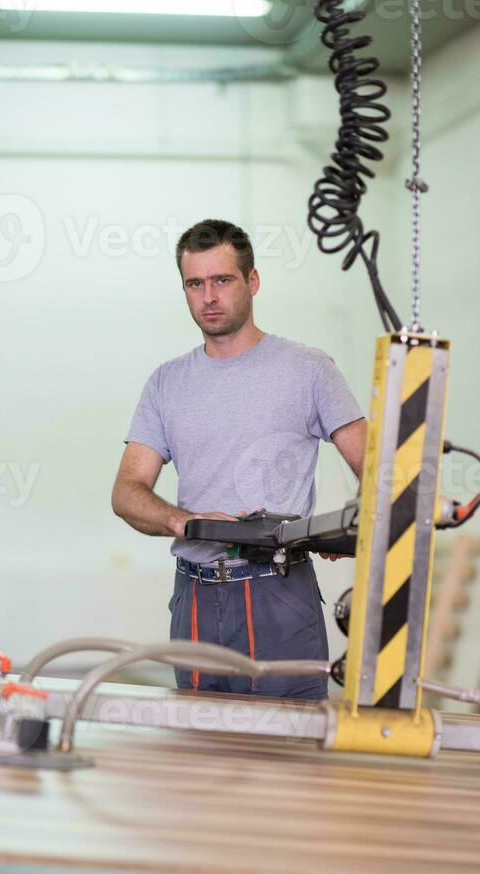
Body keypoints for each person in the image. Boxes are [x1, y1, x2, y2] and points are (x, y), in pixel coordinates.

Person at [112, 219, 366, 700]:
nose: (208, 296)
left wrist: (349, 527)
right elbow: (127, 493)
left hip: (278, 592)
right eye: (195, 283)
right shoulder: (167, 383)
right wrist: (184, 522)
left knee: (288, 754)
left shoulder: (309, 370)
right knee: (202, 756)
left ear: (252, 281)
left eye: (222, 280)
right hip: (195, 596)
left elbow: (379, 470)